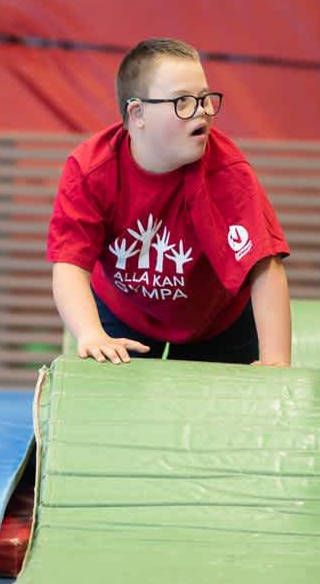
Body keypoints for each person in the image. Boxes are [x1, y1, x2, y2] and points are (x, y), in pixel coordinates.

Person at [47, 37, 292, 366]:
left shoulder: (227, 173)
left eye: (205, 99)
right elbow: (69, 264)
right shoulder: (91, 170)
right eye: (183, 102)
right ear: (138, 113)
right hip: (123, 312)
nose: (202, 112)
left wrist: (276, 362)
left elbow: (264, 265)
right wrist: (90, 333)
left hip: (216, 322)